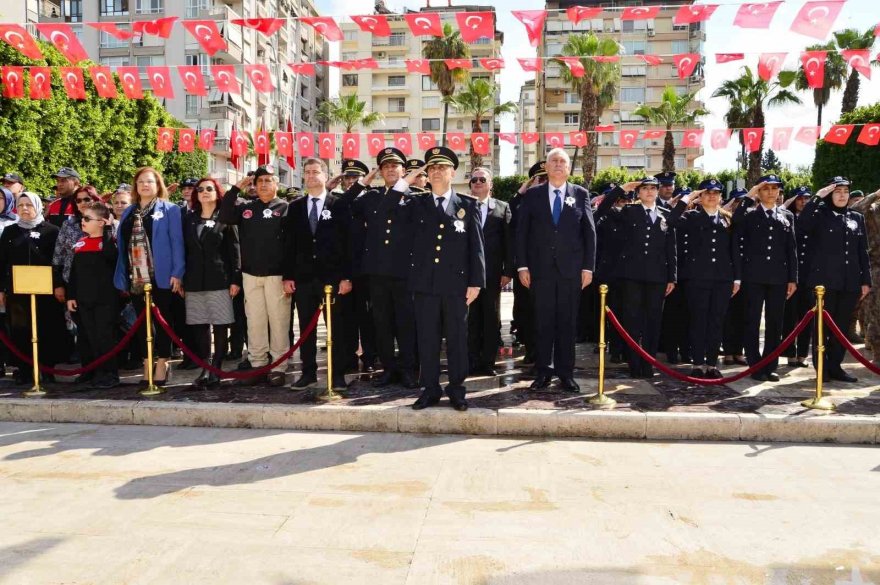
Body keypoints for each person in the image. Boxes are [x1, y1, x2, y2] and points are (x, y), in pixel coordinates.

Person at [395, 147, 485, 411]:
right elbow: (389, 205)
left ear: (452, 173)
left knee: (457, 340)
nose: (436, 172)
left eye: (441, 167)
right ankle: (430, 389)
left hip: (456, 286)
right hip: (425, 285)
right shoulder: (416, 203)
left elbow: (476, 247)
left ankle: (457, 389)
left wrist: (476, 282)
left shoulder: (467, 205)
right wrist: (410, 177)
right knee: (427, 339)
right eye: (431, 168)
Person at [335, 148, 419, 388]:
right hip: (377, 272)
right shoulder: (370, 197)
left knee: (405, 323)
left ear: (404, 170)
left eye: (395, 165)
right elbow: (341, 207)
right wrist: (362, 183)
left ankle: (408, 369)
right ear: (380, 171)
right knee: (381, 324)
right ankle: (388, 369)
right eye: (385, 166)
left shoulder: (416, 197)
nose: (390, 169)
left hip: (405, 272)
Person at [516, 149, 596, 391]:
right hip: (540, 271)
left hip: (571, 272)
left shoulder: (580, 194)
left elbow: (589, 233)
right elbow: (522, 232)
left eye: (563, 161)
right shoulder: (533, 195)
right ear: (547, 167)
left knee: (567, 324)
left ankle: (566, 373)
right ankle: (543, 372)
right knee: (542, 323)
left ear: (569, 168)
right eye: (554, 161)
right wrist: (522, 265)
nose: (558, 164)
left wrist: (588, 267)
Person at [283, 158, 353, 391]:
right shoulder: (295, 207)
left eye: (316, 172)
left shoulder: (339, 204)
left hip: (332, 278)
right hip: (304, 278)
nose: (311, 176)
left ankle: (338, 375)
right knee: (306, 328)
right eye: (307, 172)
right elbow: (289, 244)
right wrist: (288, 276)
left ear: (325, 175)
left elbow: (348, 243)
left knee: (337, 328)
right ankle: (308, 373)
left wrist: (346, 277)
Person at [596, 177, 677, 379]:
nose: (649, 191)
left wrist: (672, 277)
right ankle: (633, 364)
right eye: (645, 188)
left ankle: (648, 364)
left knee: (653, 322)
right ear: (638, 193)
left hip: (657, 277)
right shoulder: (629, 211)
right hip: (631, 276)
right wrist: (620, 189)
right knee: (632, 321)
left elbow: (671, 248)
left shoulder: (666, 214)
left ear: (657, 191)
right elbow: (602, 210)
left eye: (653, 188)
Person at [218, 165, 290, 386]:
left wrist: (289, 275)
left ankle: (279, 366)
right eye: (260, 181)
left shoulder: (286, 208)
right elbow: (225, 215)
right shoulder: (247, 208)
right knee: (255, 321)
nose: (264, 185)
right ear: (254, 185)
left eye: (268, 180)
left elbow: (292, 245)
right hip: (250, 275)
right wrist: (235, 189)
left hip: (277, 276)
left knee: (278, 322)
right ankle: (258, 364)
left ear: (276, 184)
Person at [114, 167, 185, 387]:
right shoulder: (129, 211)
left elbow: (177, 242)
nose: (145, 185)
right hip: (136, 276)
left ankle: (163, 363)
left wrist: (178, 272)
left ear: (158, 185)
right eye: (141, 182)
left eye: (150, 181)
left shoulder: (170, 209)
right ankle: (147, 363)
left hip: (162, 274)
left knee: (163, 321)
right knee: (141, 322)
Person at [797, 177, 871, 383]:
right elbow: (802, 225)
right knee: (822, 327)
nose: (842, 195)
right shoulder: (819, 215)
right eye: (837, 191)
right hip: (824, 283)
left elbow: (862, 251)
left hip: (849, 282)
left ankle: (836, 366)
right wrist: (817, 197)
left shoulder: (856, 217)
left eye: (845, 191)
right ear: (829, 194)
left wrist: (866, 280)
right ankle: (822, 368)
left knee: (841, 327)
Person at [667, 179, 736, 379]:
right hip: (697, 278)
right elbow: (671, 220)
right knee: (698, 320)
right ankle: (698, 363)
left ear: (721, 197)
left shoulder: (727, 219)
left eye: (716, 193)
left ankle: (712, 364)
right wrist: (687, 199)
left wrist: (737, 279)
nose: (712, 196)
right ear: (701, 196)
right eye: (707, 193)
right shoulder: (691, 217)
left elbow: (734, 251)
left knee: (717, 321)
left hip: (722, 279)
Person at [732, 174, 798, 383]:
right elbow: (735, 220)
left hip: (779, 277)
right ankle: (755, 364)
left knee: (775, 323)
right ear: (759, 192)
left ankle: (770, 365)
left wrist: (793, 278)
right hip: (753, 276)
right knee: (751, 321)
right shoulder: (750, 214)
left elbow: (791, 249)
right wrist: (749, 195)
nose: (771, 192)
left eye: (774, 188)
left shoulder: (787, 215)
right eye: (766, 188)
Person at [0, 193, 66, 385]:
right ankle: (25, 369)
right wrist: (1, 289)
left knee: (48, 327)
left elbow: (58, 261)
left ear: (37, 206)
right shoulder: (10, 232)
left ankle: (47, 369)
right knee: (21, 329)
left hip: (46, 290)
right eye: (21, 205)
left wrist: (58, 284)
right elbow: (2, 262)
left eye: (29, 205)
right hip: (18, 290)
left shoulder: (52, 231)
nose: (25, 208)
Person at [182, 178, 241, 388]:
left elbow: (235, 251)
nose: (204, 192)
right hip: (194, 280)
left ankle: (216, 367)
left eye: (209, 188)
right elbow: (184, 250)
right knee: (199, 325)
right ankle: (205, 366)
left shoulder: (225, 218)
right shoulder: (189, 218)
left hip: (220, 279)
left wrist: (235, 279)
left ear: (217, 192)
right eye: (200, 189)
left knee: (220, 324)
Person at [65, 202, 119, 389]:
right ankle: (91, 370)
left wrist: (108, 230)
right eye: (83, 218)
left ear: (101, 222)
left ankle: (109, 373)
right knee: (88, 337)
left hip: (105, 299)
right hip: (83, 298)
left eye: (88, 219)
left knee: (104, 337)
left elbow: (111, 256)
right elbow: (74, 273)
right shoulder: (81, 243)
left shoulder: (109, 242)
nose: (83, 221)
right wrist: (71, 296)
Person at [467, 167, 513, 376]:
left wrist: (508, 271)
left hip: (492, 274)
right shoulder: (462, 205)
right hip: (467, 274)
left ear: (490, 184)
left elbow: (509, 242)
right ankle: (470, 361)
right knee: (470, 319)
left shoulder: (502, 207)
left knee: (491, 318)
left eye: (482, 180)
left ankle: (487, 362)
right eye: (474, 179)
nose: (477, 183)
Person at [333, 159, 377, 373]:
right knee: (347, 317)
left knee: (367, 318)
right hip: (345, 269)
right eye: (347, 177)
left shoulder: (373, 198)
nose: (351, 181)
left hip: (368, 270)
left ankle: (370, 358)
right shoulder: (339, 201)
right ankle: (350, 357)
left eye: (355, 177)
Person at [52, 184, 100, 379]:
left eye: (86, 199)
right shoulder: (68, 224)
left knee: (101, 330)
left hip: (101, 284)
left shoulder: (106, 221)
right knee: (82, 330)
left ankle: (105, 369)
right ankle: (87, 370)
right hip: (73, 284)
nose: (82, 203)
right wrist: (58, 284)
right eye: (78, 200)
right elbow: (58, 256)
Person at [509, 161, 547, 367]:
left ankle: (546, 353)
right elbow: (510, 214)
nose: (543, 182)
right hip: (526, 267)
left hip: (549, 266)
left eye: (546, 178)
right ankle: (531, 349)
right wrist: (522, 191)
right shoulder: (524, 201)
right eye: (539, 179)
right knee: (526, 310)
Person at [781, 186, 813, 368]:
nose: (803, 202)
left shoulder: (814, 218)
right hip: (790, 276)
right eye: (800, 198)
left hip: (808, 276)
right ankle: (790, 353)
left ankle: (802, 354)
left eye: (807, 198)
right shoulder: (787, 217)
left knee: (807, 317)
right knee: (789, 317)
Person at [722, 187, 749, 365]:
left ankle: (739, 351)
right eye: (737, 201)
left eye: (743, 201)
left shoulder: (751, 218)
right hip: (728, 273)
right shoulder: (725, 220)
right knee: (727, 314)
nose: (740, 205)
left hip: (747, 273)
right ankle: (728, 351)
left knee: (743, 314)